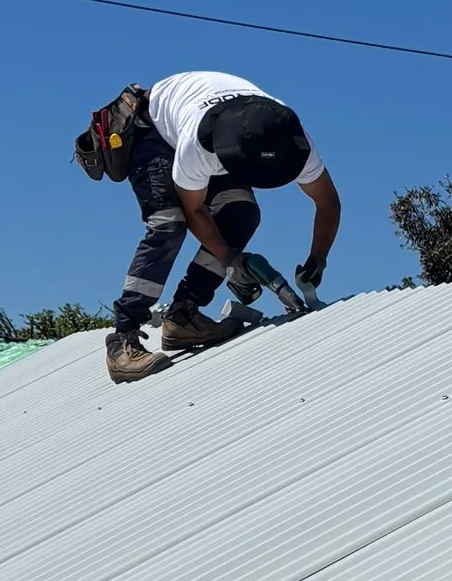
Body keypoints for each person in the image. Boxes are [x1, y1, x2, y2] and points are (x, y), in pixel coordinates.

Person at [77, 70, 341, 384]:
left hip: (226, 123)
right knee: (168, 223)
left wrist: (317, 259)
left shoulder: (291, 136)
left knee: (241, 213)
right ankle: (123, 340)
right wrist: (229, 260)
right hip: (155, 132)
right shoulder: (197, 146)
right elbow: (194, 212)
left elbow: (328, 203)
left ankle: (182, 317)